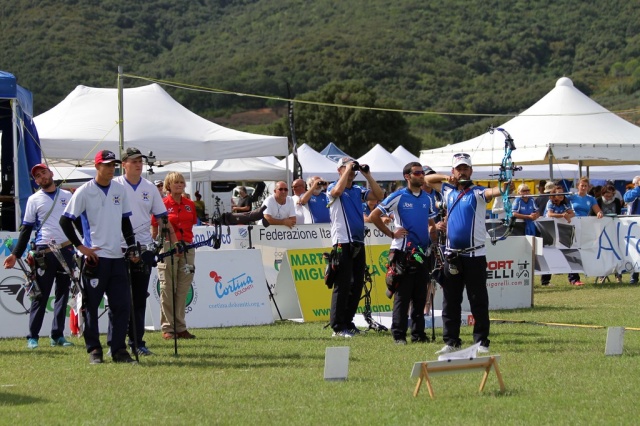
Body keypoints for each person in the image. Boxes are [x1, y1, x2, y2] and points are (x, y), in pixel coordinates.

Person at [424, 152, 512, 355]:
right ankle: (451, 340)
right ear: (453, 171)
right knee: (451, 299)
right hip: (452, 255)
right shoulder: (447, 189)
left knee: (478, 299)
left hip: (475, 255)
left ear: (471, 171)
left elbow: (497, 191)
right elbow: (427, 179)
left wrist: (506, 182)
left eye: (466, 168)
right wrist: (448, 178)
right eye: (459, 168)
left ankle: (481, 341)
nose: (462, 172)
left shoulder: (478, 192)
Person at [60, 150, 138, 364]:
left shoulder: (119, 190)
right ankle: (94, 349)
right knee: (91, 306)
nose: (111, 168)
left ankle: (119, 349)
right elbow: (65, 221)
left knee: (121, 305)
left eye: (114, 165)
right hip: (95, 259)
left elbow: (125, 222)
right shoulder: (84, 191)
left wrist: (131, 246)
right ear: (97, 167)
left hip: (117, 258)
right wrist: (80, 247)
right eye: (107, 165)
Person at [3, 164, 75, 350]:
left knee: (62, 294)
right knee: (39, 295)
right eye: (37, 176)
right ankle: (33, 336)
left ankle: (57, 335)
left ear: (51, 173)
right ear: (35, 181)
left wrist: (85, 246)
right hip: (45, 252)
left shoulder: (68, 196)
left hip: (66, 250)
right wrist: (14, 254)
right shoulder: (34, 199)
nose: (42, 177)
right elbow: (26, 230)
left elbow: (78, 224)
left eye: (44, 173)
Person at [114, 147, 176, 356]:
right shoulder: (115, 185)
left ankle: (137, 341)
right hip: (118, 248)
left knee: (139, 297)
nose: (138, 164)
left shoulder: (149, 187)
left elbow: (161, 216)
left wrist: (161, 240)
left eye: (140, 160)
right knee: (119, 298)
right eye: (133, 161)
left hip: (141, 249)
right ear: (124, 164)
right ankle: (116, 342)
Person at [369, 162, 435, 345]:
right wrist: (391, 233)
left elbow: (431, 223)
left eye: (423, 173)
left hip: (422, 253)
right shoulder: (398, 196)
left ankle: (418, 334)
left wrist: (434, 235)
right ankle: (399, 335)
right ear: (407, 176)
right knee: (402, 296)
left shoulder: (427, 199)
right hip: (403, 253)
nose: (421, 176)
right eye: (417, 173)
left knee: (420, 296)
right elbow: (374, 215)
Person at [327, 157, 385, 338]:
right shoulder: (333, 186)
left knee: (357, 283)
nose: (352, 171)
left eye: (354, 168)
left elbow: (379, 195)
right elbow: (337, 191)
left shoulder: (358, 189)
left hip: (358, 241)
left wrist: (367, 175)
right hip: (342, 241)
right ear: (340, 171)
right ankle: (337, 326)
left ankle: (349, 322)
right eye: (347, 168)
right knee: (342, 284)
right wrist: (346, 172)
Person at [151, 172, 198, 340]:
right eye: (175, 182)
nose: (179, 185)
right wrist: (156, 245)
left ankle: (180, 326)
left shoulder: (189, 204)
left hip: (187, 246)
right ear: (168, 186)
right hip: (168, 246)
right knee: (167, 287)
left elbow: (192, 223)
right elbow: (154, 226)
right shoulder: (161, 204)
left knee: (183, 288)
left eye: (181, 182)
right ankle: (168, 328)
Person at [566, 177, 603, 285]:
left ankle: (583, 273)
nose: (583, 187)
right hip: (572, 225)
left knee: (584, 249)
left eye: (585, 186)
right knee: (573, 250)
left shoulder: (591, 199)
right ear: (578, 186)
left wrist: (599, 213)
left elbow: (598, 210)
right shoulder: (571, 197)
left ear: (588, 187)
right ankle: (573, 278)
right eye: (582, 185)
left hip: (585, 226)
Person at [545, 185, 577, 285]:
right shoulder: (550, 202)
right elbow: (550, 214)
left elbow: (572, 214)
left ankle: (573, 279)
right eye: (558, 194)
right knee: (548, 253)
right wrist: (562, 215)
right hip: (549, 231)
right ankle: (545, 281)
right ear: (554, 195)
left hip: (563, 230)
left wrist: (567, 215)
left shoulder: (565, 202)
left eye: (562, 193)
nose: (561, 196)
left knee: (570, 250)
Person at [595, 184, 623, 283]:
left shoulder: (616, 201)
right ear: (603, 194)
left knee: (617, 251)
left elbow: (619, 214)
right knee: (602, 252)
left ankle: (618, 275)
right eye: (607, 195)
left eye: (610, 195)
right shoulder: (598, 201)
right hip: (601, 229)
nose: (609, 198)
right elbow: (592, 214)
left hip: (614, 229)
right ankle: (601, 274)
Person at [623, 176, 640, 284]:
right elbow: (626, 199)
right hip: (635, 226)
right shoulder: (632, 192)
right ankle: (634, 276)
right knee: (636, 251)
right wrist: (638, 188)